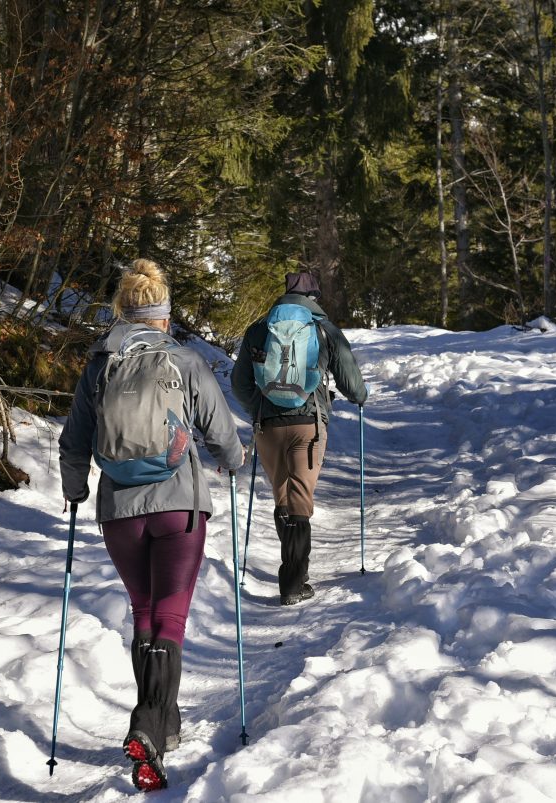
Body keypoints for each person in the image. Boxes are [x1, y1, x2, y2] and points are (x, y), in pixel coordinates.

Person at [59, 259, 244, 792]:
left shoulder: (100, 364)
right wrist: (233, 461)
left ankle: (161, 724)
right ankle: (148, 724)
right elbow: (219, 429)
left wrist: (75, 489)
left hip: (120, 510)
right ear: (164, 315)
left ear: (123, 311)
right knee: (170, 617)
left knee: (145, 612)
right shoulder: (183, 361)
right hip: (177, 505)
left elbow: (74, 440)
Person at [231, 271, 368, 606]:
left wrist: (259, 407)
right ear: (314, 298)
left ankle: (293, 571)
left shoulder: (260, 329)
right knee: (300, 499)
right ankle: (293, 583)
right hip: (309, 423)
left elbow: (239, 383)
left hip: (269, 426)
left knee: (284, 497)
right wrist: (360, 397)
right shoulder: (323, 329)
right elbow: (351, 382)